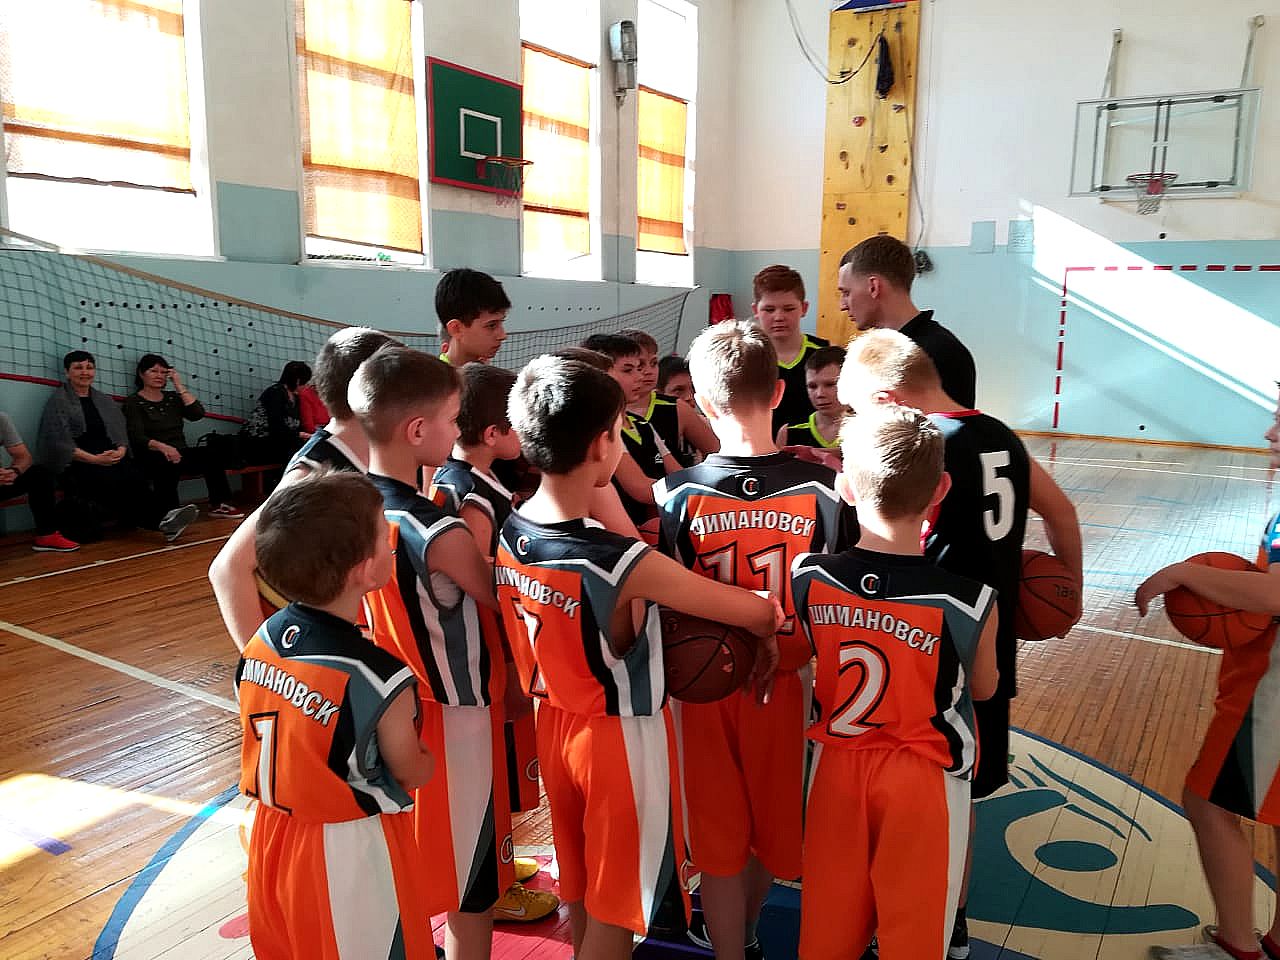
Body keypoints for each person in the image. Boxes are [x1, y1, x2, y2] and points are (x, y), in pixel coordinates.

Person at [494, 354, 783, 960]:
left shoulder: (511, 530)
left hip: (554, 725)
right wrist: (764, 612)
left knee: (579, 885)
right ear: (604, 445)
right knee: (617, 909)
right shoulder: (621, 562)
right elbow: (753, 614)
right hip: (616, 742)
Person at [839, 329, 1082, 959]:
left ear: (889, 400)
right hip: (990, 641)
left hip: (928, 642)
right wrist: (1071, 593)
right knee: (963, 790)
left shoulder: (925, 449)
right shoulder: (999, 432)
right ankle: (954, 922)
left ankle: (895, 915)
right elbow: (1063, 513)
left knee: (909, 789)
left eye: (858, 412)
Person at [653, 322, 852, 960]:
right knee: (774, 831)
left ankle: (729, 950)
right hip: (787, 687)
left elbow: (671, 602)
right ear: (780, 392)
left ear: (703, 404)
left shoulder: (675, 493)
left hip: (703, 690)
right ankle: (750, 931)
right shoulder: (826, 492)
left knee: (717, 841)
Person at [792, 404, 999, 960]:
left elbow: (798, 653)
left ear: (845, 488)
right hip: (922, 778)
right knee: (915, 939)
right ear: (941, 490)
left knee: (828, 931)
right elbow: (984, 689)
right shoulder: (970, 600)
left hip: (836, 767)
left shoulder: (808, 576)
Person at [350, 347, 520, 960]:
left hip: (386, 707)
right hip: (455, 716)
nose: (456, 430)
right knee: (471, 884)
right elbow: (505, 601)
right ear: (418, 430)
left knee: (414, 862)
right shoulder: (438, 529)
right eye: (451, 419)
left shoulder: (347, 507)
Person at [235, 469, 436, 959]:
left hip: (271, 837)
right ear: (363, 571)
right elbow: (410, 771)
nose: (392, 543)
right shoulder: (378, 675)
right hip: (347, 848)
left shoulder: (260, 639)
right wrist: (428, 757)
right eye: (384, 535)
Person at [1135, 398, 1280, 960]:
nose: (1270, 433)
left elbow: (1274, 595)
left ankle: (1237, 946)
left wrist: (1183, 573)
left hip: (1271, 692)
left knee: (1206, 802)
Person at [425, 361, 559, 922]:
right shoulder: (474, 494)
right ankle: (493, 885)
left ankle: (498, 866)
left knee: (496, 772)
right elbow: (479, 571)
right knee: (490, 773)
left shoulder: (460, 479)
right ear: (493, 433)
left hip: (474, 651)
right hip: (482, 650)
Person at [209, 328, 400, 650]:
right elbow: (227, 568)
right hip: (306, 641)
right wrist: (261, 660)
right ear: (378, 394)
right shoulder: (313, 472)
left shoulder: (373, 455)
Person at [38, 350, 196, 543]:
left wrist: (121, 450)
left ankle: (163, 519)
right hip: (79, 460)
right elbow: (58, 442)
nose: (85, 372)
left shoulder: (103, 400)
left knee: (134, 476)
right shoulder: (58, 401)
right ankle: (161, 522)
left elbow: (120, 432)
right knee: (109, 480)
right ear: (67, 372)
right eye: (78, 368)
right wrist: (95, 459)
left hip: (109, 455)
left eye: (89, 367)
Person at [838, 235, 977, 409]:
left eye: (846, 293)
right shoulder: (874, 352)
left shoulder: (941, 352)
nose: (842, 305)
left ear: (874, 287)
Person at [123, 354, 244, 519]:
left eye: (163, 372)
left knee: (211, 454)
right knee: (165, 465)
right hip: (152, 455)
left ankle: (220, 504)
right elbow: (136, 436)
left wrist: (179, 386)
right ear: (141, 374)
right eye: (153, 371)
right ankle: (170, 512)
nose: (159, 376)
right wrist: (163, 448)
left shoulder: (172, 398)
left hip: (179, 452)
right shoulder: (133, 402)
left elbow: (197, 414)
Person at [582, 333, 678, 529]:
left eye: (639, 368)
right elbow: (641, 488)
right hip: (618, 532)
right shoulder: (601, 428)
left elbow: (678, 473)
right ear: (602, 375)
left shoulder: (642, 424)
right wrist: (700, 491)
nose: (640, 376)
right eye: (628, 370)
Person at [618, 328, 718, 467]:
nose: (649, 371)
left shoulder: (677, 408)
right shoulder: (609, 414)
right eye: (639, 365)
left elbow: (716, 453)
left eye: (653, 363)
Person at [750, 264, 829, 434]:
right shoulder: (747, 359)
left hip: (817, 448)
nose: (779, 317)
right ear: (756, 310)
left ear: (804, 308)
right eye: (769, 309)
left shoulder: (825, 354)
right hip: (764, 448)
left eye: (789, 309)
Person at [0, 411, 79, 551]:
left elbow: (24, 457)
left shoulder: (1, 419)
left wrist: (14, 472)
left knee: (40, 474)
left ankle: (47, 535)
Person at [777, 345, 847, 452]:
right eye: (812, 386)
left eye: (830, 384)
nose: (820, 394)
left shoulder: (869, 428)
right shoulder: (789, 432)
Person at [242, 360, 312, 466]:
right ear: (298, 381)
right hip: (260, 443)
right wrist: (298, 435)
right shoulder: (275, 393)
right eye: (305, 382)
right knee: (298, 453)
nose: (306, 386)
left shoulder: (295, 398)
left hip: (281, 442)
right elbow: (276, 426)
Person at [437, 268, 510, 366]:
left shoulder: (486, 371)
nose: (503, 335)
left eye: (501, 322)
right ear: (456, 329)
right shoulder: (434, 376)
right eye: (491, 325)